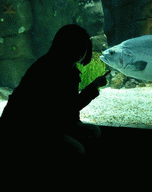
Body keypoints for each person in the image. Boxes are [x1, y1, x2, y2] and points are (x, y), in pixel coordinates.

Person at [0, 24, 107, 176]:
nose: (81, 52)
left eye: (83, 47)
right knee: (78, 150)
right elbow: (67, 108)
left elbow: (67, 109)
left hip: (50, 124)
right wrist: (93, 87)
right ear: (63, 45)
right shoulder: (48, 69)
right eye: (75, 46)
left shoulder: (69, 70)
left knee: (94, 132)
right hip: (28, 129)